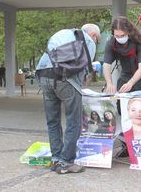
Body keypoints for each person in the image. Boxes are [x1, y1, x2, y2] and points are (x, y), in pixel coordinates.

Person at [36, 23, 100, 174]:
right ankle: (66, 163)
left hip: (44, 76)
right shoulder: (88, 41)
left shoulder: (63, 32)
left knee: (53, 121)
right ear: (94, 36)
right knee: (73, 121)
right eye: (97, 40)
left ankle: (56, 158)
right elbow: (84, 74)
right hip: (66, 80)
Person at [103, 16, 141, 94]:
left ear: (129, 32)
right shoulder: (111, 43)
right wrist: (109, 83)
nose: (119, 38)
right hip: (124, 77)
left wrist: (131, 83)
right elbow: (106, 64)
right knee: (121, 103)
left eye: (123, 35)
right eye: (117, 36)